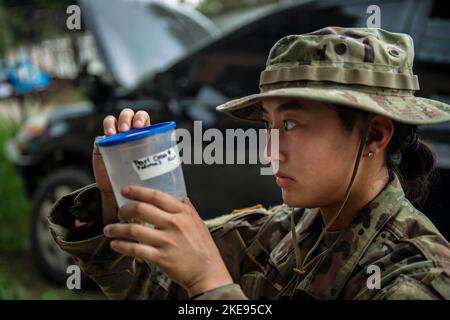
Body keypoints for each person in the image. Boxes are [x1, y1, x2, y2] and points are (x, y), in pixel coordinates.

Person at [48, 27, 450, 300]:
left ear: (374, 136)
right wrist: (114, 198)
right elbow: (152, 288)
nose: (269, 151)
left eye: (291, 124)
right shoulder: (277, 233)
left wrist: (211, 283)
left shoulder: (416, 277)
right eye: (268, 125)